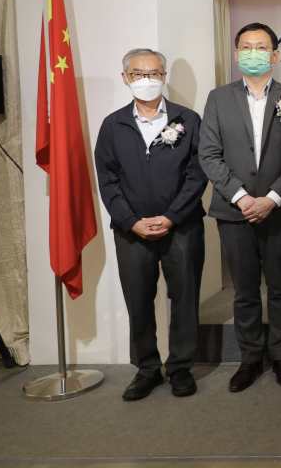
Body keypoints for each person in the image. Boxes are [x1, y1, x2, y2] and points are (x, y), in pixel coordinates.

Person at [199, 23, 281, 392]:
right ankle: (249, 358)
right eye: (246, 47)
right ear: (236, 54)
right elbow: (209, 154)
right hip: (234, 212)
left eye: (261, 47)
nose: (253, 53)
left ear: (275, 55)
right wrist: (242, 197)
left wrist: (272, 198)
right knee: (244, 290)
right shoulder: (218, 98)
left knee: (280, 286)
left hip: (278, 209)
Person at [94, 48, 208, 401]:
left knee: (185, 298)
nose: (147, 80)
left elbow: (198, 174)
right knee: (139, 299)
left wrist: (172, 216)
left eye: (155, 73)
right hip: (132, 232)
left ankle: (181, 367)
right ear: (125, 77)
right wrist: (131, 222)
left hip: (182, 227)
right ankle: (146, 368)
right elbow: (107, 180)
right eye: (139, 74)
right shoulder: (113, 125)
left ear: (164, 76)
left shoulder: (188, 120)